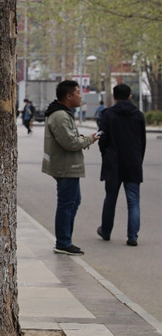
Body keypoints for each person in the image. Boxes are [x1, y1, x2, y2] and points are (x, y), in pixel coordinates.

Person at [42, 80, 99, 256]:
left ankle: (65, 240)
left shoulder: (63, 113)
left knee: (73, 201)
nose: (80, 96)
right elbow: (70, 142)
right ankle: (63, 242)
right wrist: (88, 140)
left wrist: (81, 139)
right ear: (69, 96)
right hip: (66, 167)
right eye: (78, 93)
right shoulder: (60, 116)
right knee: (67, 204)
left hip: (67, 165)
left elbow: (69, 138)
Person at [96, 84, 146, 246]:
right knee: (133, 201)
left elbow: (102, 139)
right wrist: (138, 160)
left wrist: (105, 155)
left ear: (114, 96)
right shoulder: (138, 115)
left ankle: (106, 231)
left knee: (110, 198)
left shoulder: (108, 114)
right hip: (133, 162)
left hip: (113, 162)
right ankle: (132, 236)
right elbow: (142, 142)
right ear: (130, 95)